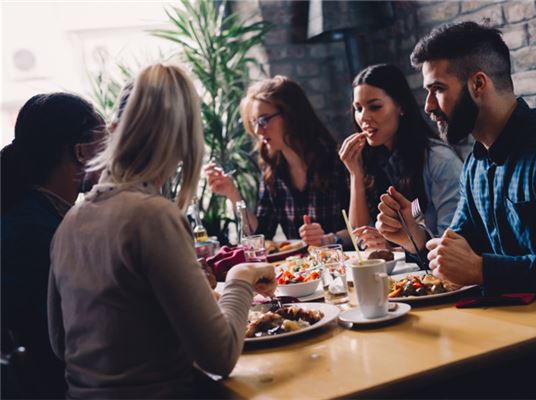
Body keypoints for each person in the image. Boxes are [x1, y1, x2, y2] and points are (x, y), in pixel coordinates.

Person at [47, 64, 276, 398]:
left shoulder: (70, 221)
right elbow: (220, 356)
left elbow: (60, 342)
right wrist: (242, 276)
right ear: (184, 141)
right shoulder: (152, 215)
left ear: (115, 132)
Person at [376, 22, 536, 296]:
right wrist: (415, 239)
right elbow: (457, 256)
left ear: (478, 84)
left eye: (438, 89)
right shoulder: (475, 164)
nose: (428, 106)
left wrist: (485, 271)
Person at [1, 93, 105, 398]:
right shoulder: (36, 232)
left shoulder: (32, 214)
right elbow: (75, 335)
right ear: (82, 152)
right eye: (106, 144)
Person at [204, 75, 350, 246]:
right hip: (302, 269)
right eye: (254, 123)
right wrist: (232, 193)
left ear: (291, 115)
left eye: (264, 120)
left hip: (344, 264)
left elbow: (363, 227)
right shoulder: (273, 170)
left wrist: (328, 239)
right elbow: (260, 235)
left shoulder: (338, 161)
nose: (258, 130)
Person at [338, 63, 462, 251]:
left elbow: (452, 240)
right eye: (358, 108)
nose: (364, 117)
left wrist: (391, 245)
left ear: (401, 107)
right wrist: (355, 174)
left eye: (375, 107)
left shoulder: (439, 160)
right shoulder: (374, 159)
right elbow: (361, 238)